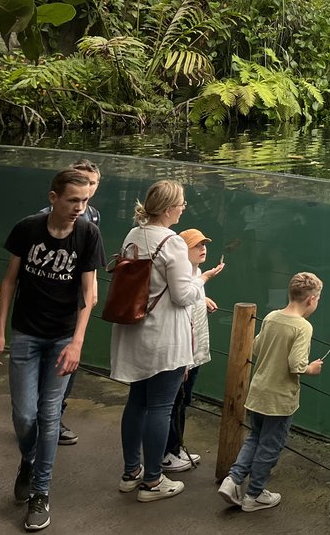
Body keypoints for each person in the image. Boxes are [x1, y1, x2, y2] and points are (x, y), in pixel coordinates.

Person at [0, 168, 103, 533]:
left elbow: (90, 294)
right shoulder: (28, 229)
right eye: (72, 201)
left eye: (84, 201)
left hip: (62, 337)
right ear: (53, 198)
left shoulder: (88, 233)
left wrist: (77, 343)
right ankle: (30, 459)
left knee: (49, 413)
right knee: (23, 415)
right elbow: (8, 282)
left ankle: (40, 492)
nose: (79, 208)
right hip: (26, 332)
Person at [110, 180, 202, 503]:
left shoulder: (132, 235)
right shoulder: (173, 242)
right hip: (164, 337)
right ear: (167, 210)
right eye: (181, 203)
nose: (183, 208)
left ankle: (130, 471)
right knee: (161, 408)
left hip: (134, 332)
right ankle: (152, 481)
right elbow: (182, 296)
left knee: (137, 401)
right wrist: (198, 278)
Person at [217, 271, 325, 512]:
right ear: (311, 300)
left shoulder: (272, 316)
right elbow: (296, 365)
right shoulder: (303, 327)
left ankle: (233, 480)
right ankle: (254, 495)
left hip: (259, 391)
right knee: (271, 445)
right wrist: (312, 368)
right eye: (318, 298)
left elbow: (255, 347)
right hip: (279, 399)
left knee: (255, 437)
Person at [40, 159, 102, 449]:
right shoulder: (46, 217)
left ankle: (54, 417)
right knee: (50, 358)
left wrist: (92, 290)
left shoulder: (94, 217)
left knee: (70, 359)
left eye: (92, 184)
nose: (87, 189)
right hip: (53, 301)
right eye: (82, 182)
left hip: (78, 298)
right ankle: (44, 418)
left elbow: (90, 260)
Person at [164, 227, 224, 473]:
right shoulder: (186, 278)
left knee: (184, 401)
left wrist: (203, 297)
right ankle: (168, 453)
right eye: (197, 245)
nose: (203, 248)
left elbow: (192, 298)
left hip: (195, 353)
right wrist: (185, 361)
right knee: (175, 403)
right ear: (182, 250)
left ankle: (176, 449)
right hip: (185, 356)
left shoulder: (196, 273)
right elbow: (182, 314)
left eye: (204, 244)